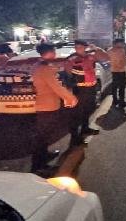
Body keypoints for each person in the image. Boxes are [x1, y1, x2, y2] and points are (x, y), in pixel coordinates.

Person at [31, 43, 78, 173]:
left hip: (44, 104)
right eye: (54, 51)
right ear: (49, 52)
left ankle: (45, 156)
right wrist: (71, 98)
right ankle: (38, 166)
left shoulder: (38, 65)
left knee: (45, 134)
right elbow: (56, 87)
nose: (55, 54)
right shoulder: (44, 68)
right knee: (42, 136)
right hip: (47, 106)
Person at [65, 39, 110, 145]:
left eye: (80, 47)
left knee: (88, 110)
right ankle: (75, 139)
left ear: (85, 47)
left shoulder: (91, 56)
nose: (77, 49)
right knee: (77, 115)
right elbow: (67, 74)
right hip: (79, 90)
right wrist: (71, 88)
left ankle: (85, 129)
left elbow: (106, 58)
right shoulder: (71, 59)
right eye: (76, 47)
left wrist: (97, 49)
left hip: (91, 88)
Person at [108, 38, 126, 108]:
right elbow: (123, 62)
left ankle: (115, 101)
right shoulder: (121, 50)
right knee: (122, 87)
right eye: (122, 43)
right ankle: (121, 102)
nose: (123, 44)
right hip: (121, 71)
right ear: (118, 43)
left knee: (114, 87)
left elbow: (109, 60)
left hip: (113, 71)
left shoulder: (109, 50)